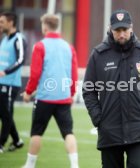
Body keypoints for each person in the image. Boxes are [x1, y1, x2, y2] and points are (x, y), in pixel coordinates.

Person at [82, 9, 140, 168]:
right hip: (109, 130)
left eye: (124, 30)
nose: (121, 34)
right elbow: (88, 90)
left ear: (131, 28)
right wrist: (98, 118)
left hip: (138, 128)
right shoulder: (99, 54)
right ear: (111, 29)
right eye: (117, 30)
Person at [22, 14, 79, 168]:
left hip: (44, 98)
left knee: (36, 132)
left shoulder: (40, 46)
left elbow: (35, 74)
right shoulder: (69, 47)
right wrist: (72, 93)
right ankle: (75, 166)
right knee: (68, 132)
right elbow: (73, 74)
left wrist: (28, 92)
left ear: (45, 26)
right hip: (63, 98)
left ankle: (29, 165)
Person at [0, 11, 26, 153]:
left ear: (10, 22)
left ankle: (1, 143)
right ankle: (17, 141)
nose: (0, 24)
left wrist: (6, 72)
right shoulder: (4, 39)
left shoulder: (19, 39)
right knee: (5, 113)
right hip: (1, 82)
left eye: (2, 21)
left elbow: (21, 59)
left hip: (10, 84)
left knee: (6, 114)